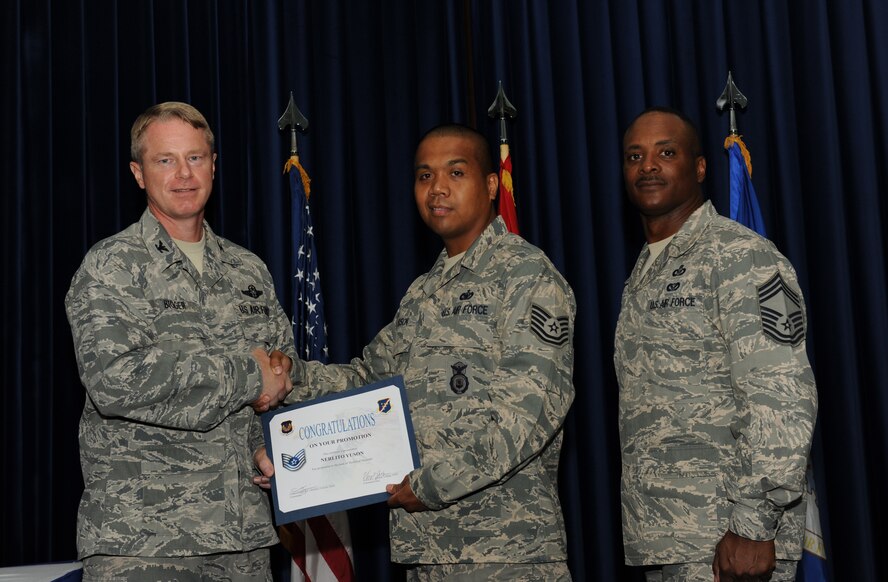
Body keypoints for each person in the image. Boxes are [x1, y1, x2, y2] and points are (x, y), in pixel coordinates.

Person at [255, 123, 576, 581]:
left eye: (455, 173)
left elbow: (527, 417)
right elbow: (369, 380)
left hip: (505, 553)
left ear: (490, 185)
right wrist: (292, 377)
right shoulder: (425, 291)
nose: (437, 188)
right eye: (424, 176)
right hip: (425, 553)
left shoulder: (528, 278)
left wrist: (428, 486)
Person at [65, 101, 295, 581]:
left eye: (195, 157)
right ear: (138, 173)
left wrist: (269, 446)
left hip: (244, 539)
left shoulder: (247, 269)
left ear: (214, 164)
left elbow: (279, 379)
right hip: (145, 544)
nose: (184, 174)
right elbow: (115, 381)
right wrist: (248, 375)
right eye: (165, 160)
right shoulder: (112, 266)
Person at [614, 107, 818, 582]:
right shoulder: (644, 274)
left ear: (700, 168)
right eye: (634, 156)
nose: (648, 166)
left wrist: (752, 524)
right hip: (669, 542)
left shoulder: (739, 254)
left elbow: (780, 394)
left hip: (729, 542)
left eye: (666, 152)